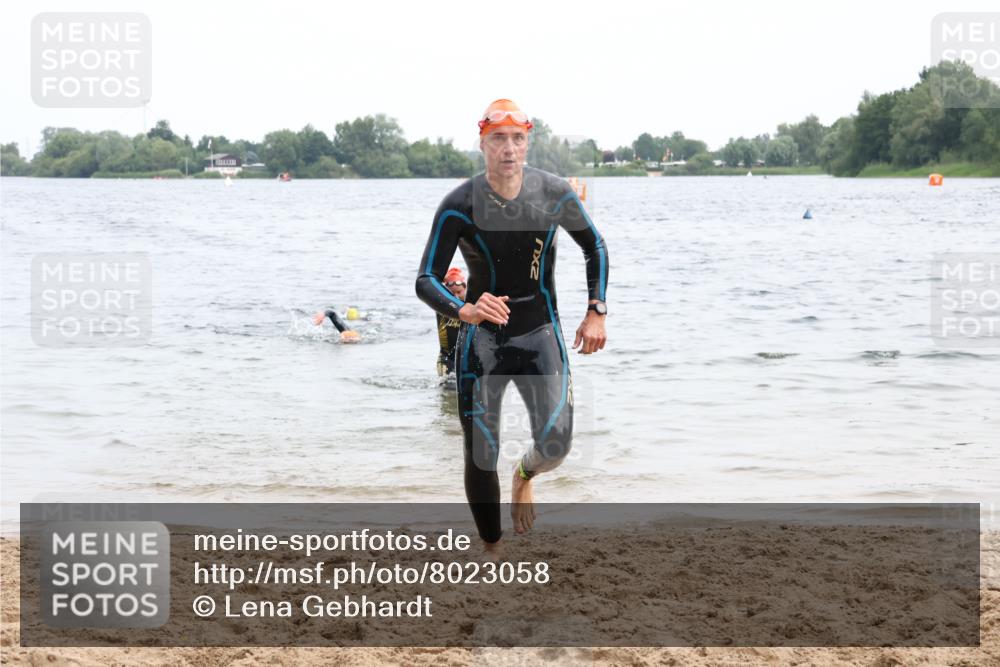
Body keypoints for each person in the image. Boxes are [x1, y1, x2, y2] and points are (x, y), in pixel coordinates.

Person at [415, 99, 609, 553]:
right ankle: (492, 548)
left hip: (541, 331)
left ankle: (525, 474)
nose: (508, 148)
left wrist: (596, 309)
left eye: (517, 138)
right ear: (482, 143)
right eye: (498, 139)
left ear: (527, 141)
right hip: (482, 339)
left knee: (557, 445)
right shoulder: (459, 204)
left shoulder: (554, 192)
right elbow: (425, 279)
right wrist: (463, 310)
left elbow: (594, 247)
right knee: (482, 451)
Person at [436, 267, 467, 380]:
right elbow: (431, 281)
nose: (456, 297)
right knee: (447, 389)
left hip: (466, 358)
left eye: (459, 292)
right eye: (451, 293)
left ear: (466, 288)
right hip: (446, 359)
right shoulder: (440, 306)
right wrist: (447, 277)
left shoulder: (471, 306)